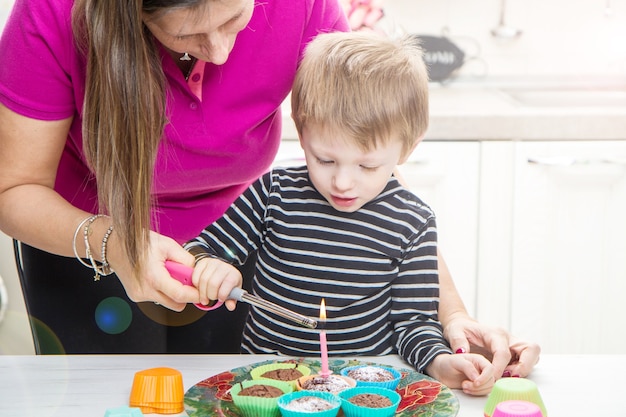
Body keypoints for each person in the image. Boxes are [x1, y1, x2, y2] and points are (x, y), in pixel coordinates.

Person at [0, 0, 539, 374]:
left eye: (236, 17)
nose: (217, 52)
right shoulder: (54, 11)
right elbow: (13, 188)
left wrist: (453, 319)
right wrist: (115, 243)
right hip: (87, 244)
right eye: (186, 33)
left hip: (237, 261)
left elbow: (371, 179)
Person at [183, 31, 495, 395]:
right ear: (301, 131)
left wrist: (441, 362)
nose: (343, 182)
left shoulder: (413, 221)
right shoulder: (274, 193)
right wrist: (209, 266)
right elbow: (200, 249)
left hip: (363, 393)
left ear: (407, 148)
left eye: (367, 166)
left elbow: (414, 323)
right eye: (325, 159)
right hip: (266, 388)